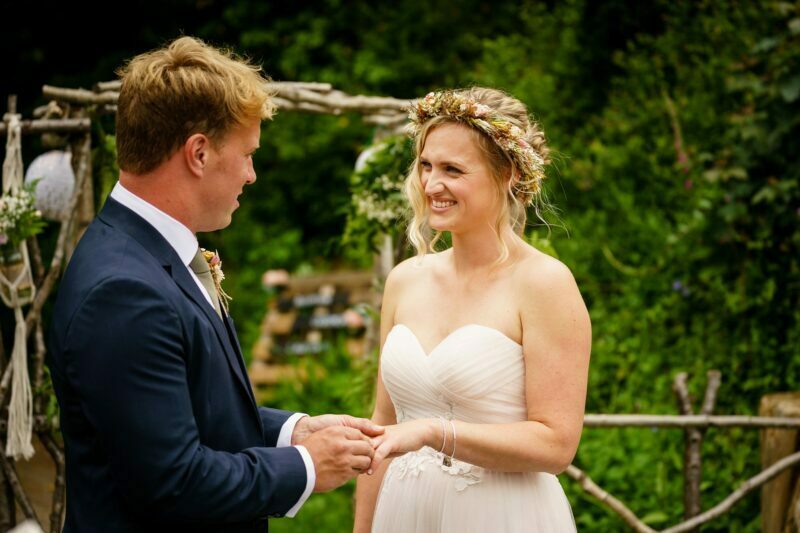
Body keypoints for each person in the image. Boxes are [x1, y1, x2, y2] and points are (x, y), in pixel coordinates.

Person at [48, 36, 382, 532]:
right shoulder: (122, 292)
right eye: (248, 154)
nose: (251, 175)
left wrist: (295, 431)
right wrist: (309, 466)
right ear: (199, 154)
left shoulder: (148, 254)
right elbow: (174, 482)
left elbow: (187, 412)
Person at [354, 88, 591, 532]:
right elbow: (383, 424)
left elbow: (556, 445)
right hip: (404, 512)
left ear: (507, 173)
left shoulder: (544, 283)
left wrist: (432, 433)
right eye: (425, 165)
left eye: (452, 170)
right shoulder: (405, 279)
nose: (430, 185)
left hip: (500, 515)